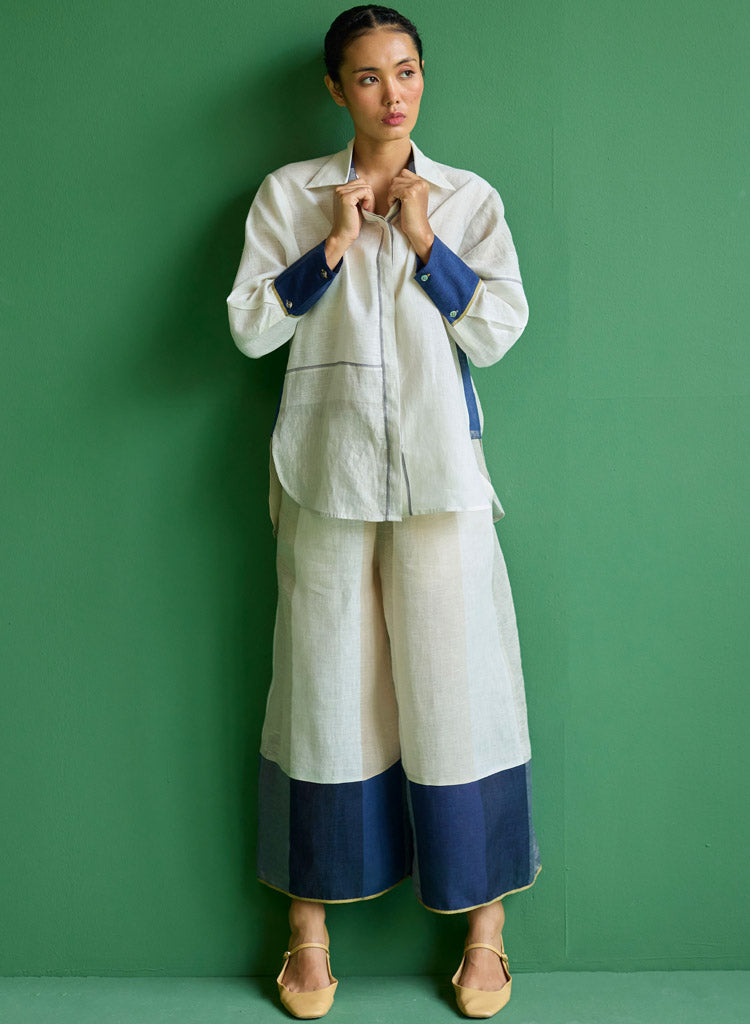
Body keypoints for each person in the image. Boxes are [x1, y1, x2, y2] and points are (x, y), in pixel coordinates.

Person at [226, 5, 541, 1018]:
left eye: (405, 70)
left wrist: (422, 239)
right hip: (324, 478)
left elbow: (497, 328)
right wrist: (333, 243)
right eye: (368, 76)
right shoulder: (290, 195)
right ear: (336, 90)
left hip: (442, 483)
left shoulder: (468, 198)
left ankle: (485, 932)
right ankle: (307, 929)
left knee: (461, 687)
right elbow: (248, 327)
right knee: (320, 689)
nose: (392, 92)